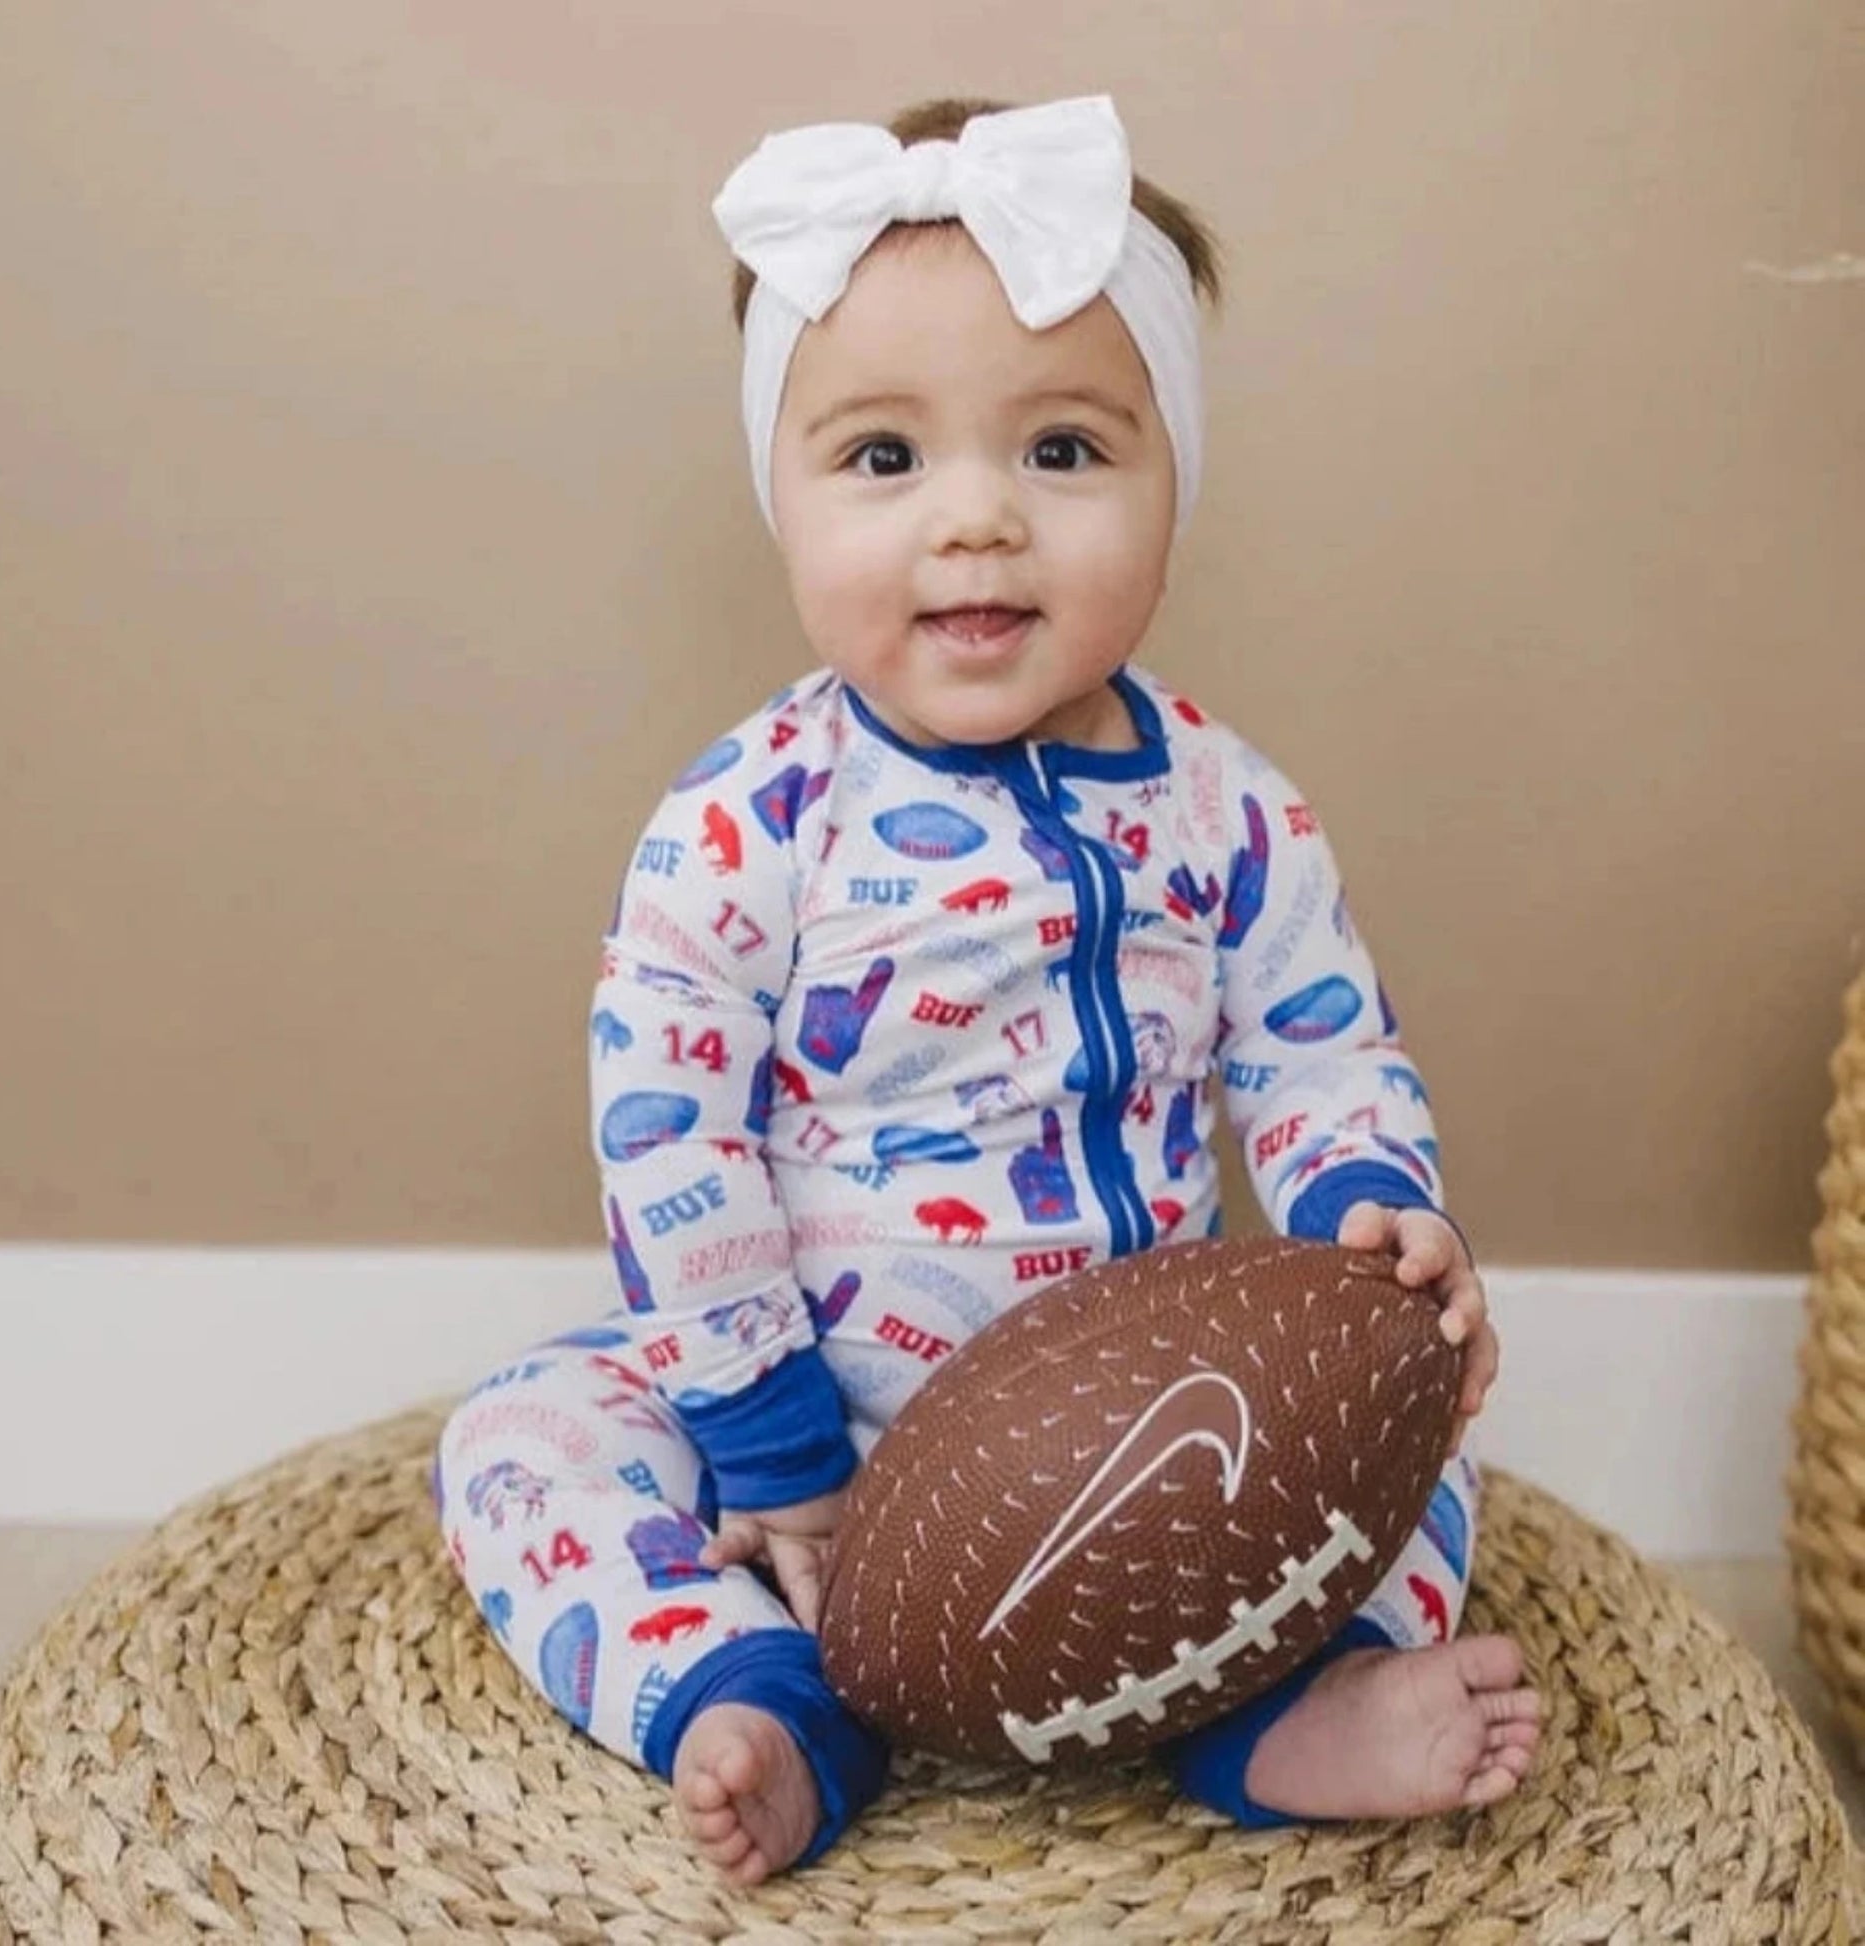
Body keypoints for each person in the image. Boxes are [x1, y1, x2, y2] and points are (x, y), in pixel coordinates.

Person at [437, 93, 1542, 1887]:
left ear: (1171, 478)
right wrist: (770, 1445)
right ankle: (763, 1691)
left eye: (1060, 453)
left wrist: (1374, 1216)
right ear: (777, 494)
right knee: (522, 1438)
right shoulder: (753, 818)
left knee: (1415, 1416)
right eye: (882, 459)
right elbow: (672, 1143)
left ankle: (1287, 1704)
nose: (973, 525)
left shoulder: (1225, 805)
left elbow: (1316, 1045)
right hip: (823, 1416)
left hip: (1151, 1436)